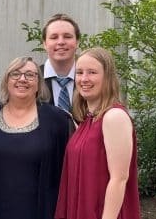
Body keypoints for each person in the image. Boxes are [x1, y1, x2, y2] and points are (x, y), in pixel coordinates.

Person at [0, 56, 72, 219]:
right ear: (7, 80)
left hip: (41, 210)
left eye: (30, 75)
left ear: (39, 83)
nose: (22, 79)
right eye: (16, 74)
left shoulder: (57, 120)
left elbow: (67, 171)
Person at [55, 47, 140, 219]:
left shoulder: (114, 117)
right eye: (79, 72)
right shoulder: (88, 120)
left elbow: (119, 179)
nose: (84, 79)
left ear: (107, 78)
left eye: (92, 72)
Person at [41, 13, 80, 113]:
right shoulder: (32, 79)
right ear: (44, 44)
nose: (61, 42)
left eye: (67, 36)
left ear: (77, 42)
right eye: (54, 37)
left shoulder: (92, 79)